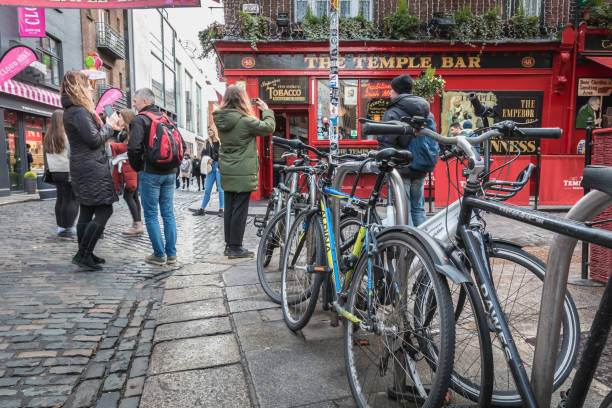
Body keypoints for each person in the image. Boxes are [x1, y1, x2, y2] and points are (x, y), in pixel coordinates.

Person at [61, 70, 120, 270]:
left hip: (83, 166)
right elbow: (94, 140)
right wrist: (110, 126)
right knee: (105, 208)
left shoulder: (73, 110)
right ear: (78, 86)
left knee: (87, 209)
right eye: (87, 84)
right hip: (91, 167)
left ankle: (85, 254)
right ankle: (83, 253)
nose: (90, 88)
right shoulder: (78, 111)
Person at [214, 86, 275, 258]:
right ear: (243, 99)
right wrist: (267, 111)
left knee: (229, 208)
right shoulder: (245, 121)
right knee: (240, 210)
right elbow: (268, 127)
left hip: (227, 168)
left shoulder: (220, 119)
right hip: (242, 170)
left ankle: (229, 245)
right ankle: (235, 247)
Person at [128, 88, 185, 266]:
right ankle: (172, 254)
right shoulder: (166, 118)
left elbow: (133, 148)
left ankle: (159, 255)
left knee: (151, 214)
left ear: (145, 101)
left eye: (135, 100)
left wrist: (138, 167)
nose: (133, 103)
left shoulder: (140, 120)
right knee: (168, 213)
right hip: (170, 173)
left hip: (150, 173)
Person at [377, 74, 432, 227]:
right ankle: (425, 245)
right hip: (421, 165)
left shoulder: (393, 111)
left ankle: (407, 246)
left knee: (404, 209)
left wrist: (382, 160)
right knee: (418, 208)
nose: (389, 93)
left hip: (402, 166)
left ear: (397, 91)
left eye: (391, 90)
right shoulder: (424, 109)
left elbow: (386, 140)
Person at [43, 110, 78, 237]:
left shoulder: (48, 136)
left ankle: (61, 226)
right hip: (68, 171)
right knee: (72, 199)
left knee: (61, 199)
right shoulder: (66, 135)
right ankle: (69, 227)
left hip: (55, 172)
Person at [109, 109, 144, 236]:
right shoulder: (127, 131)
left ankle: (137, 224)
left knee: (129, 195)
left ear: (127, 118)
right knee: (133, 196)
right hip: (131, 167)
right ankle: (137, 223)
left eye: (121, 117)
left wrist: (114, 146)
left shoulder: (131, 132)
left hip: (131, 167)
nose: (119, 119)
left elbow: (128, 148)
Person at [193, 125, 224, 218]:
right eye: (208, 130)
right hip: (210, 167)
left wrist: (216, 160)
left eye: (211, 130)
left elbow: (224, 154)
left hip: (219, 166)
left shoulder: (220, 142)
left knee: (221, 189)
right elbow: (202, 154)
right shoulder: (207, 142)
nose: (209, 131)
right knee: (207, 189)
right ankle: (202, 209)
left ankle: (221, 209)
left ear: (215, 130)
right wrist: (207, 159)